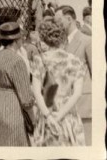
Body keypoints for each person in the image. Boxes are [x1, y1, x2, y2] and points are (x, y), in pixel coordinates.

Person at [31, 18, 86, 146]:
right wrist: (60, 115)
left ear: (43, 37)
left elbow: (36, 92)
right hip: (68, 114)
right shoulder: (75, 61)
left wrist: (49, 116)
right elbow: (77, 94)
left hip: (47, 112)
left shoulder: (39, 59)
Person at [0, 22, 35, 147]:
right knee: (15, 145)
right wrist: (33, 120)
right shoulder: (17, 61)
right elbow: (26, 100)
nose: (22, 39)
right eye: (21, 37)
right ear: (16, 40)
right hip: (14, 108)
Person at [54, 5, 92, 144]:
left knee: (87, 147)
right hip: (66, 107)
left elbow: (96, 75)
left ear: (69, 19)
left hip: (84, 105)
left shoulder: (87, 41)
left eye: (58, 21)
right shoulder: (61, 44)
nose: (56, 25)